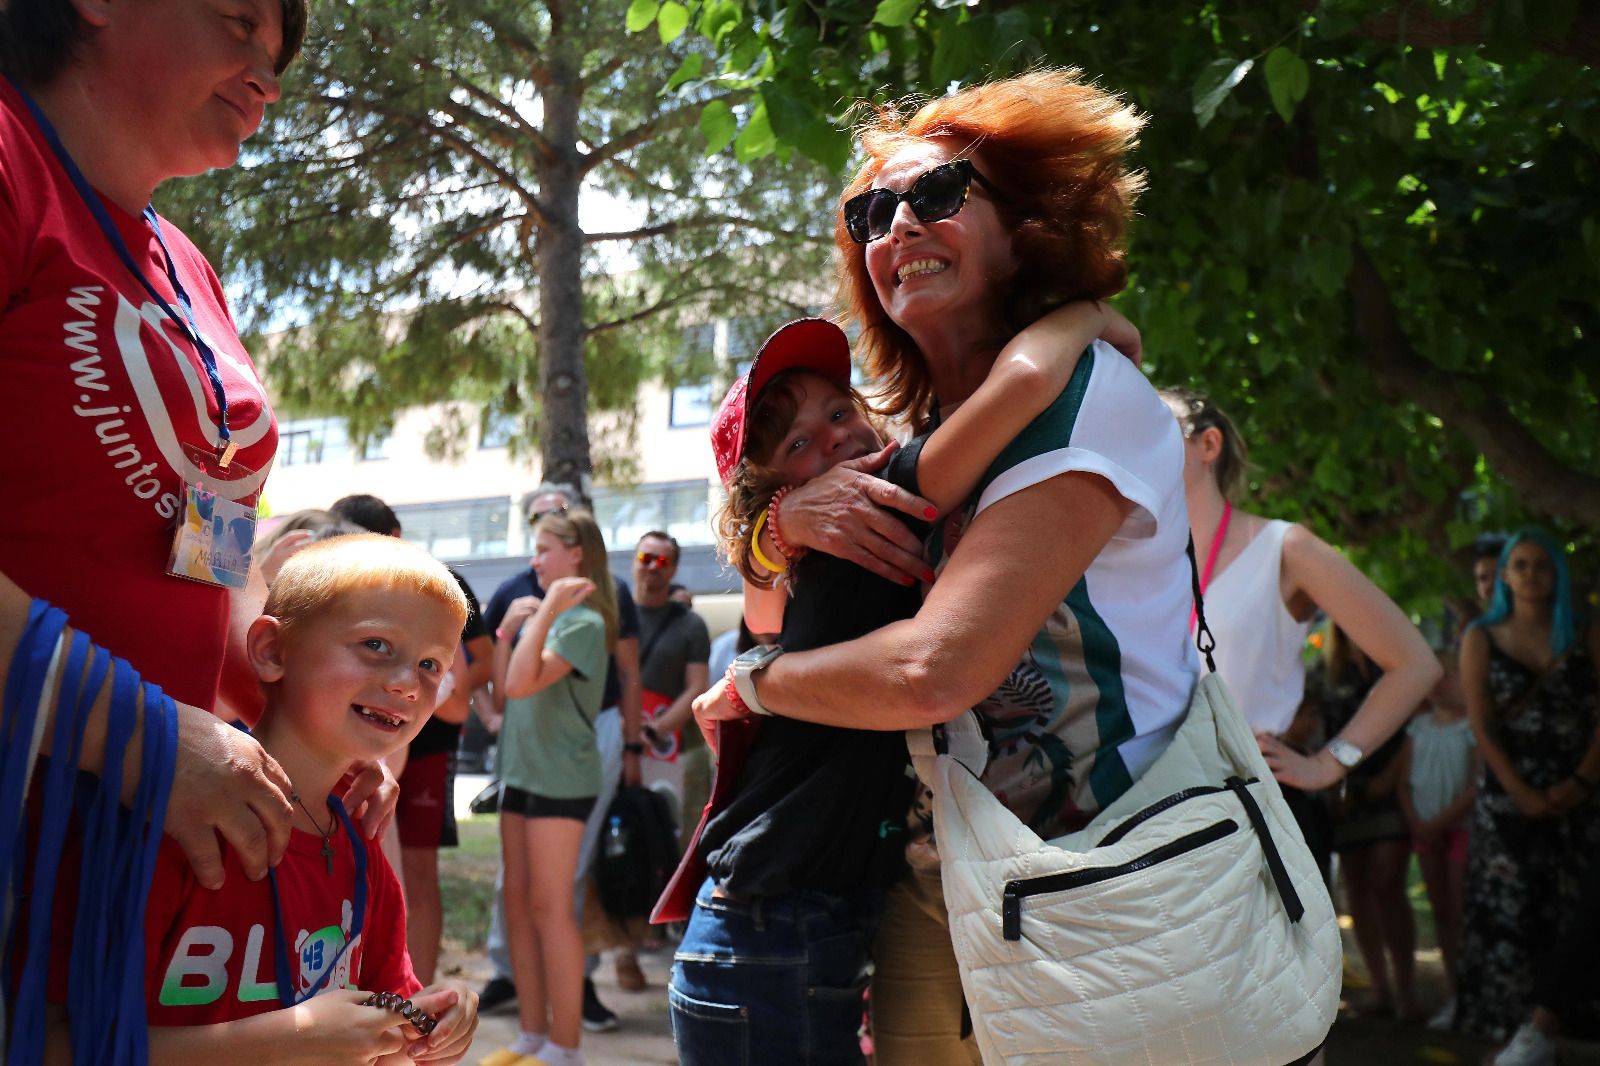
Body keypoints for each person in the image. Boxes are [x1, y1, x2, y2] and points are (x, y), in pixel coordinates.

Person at [693, 70, 1202, 1064]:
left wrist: (755, 686)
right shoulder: (918, 441)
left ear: (1029, 225)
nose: (895, 227)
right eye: (870, 212)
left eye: (936, 196)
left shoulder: (1083, 398)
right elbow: (766, 604)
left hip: (1098, 879)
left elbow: (937, 668)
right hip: (941, 882)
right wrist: (780, 523)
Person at [0, 0, 395, 1050]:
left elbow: (206, 550)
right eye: (238, 21)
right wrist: (133, 733)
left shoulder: (184, 262)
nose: (268, 70)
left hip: (155, 890)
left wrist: (318, 720)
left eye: (279, 51)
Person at [670, 304, 1138, 1065]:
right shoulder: (872, 497)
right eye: (799, 443)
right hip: (772, 933)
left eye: (837, 409)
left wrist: (779, 521)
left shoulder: (832, 522)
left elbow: (761, 607)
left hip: (784, 929)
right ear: (770, 486)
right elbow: (1023, 384)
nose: (834, 437)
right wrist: (1085, 315)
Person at [45, 534, 480, 1063]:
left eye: (432, 665)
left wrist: (426, 1025)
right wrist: (289, 1040)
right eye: (376, 645)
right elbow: (56, 1047)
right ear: (272, 651)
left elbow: (380, 1027)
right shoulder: (176, 830)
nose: (408, 684)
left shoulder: (364, 858)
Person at [480, 484, 644, 1030]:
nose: (535, 561)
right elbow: (503, 692)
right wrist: (507, 631)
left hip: (561, 780)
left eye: (545, 549)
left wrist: (544, 612)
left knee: (552, 907)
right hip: (519, 773)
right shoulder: (541, 616)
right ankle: (532, 1033)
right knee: (520, 906)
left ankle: (566, 1041)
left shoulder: (584, 622)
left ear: (577, 554)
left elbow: (524, 684)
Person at [328, 494, 495, 986]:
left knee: (409, 876)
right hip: (363, 748)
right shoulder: (338, 584)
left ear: (394, 539)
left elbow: (472, 674)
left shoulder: (439, 585)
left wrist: (431, 683)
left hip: (423, 746)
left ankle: (410, 993)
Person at [1455, 529, 1600, 1043]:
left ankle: (1562, 1033)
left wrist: (1581, 781)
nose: (1531, 574)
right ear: (1505, 577)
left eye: (1542, 564)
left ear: (1557, 572)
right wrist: (1518, 790)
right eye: (1520, 565)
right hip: (1508, 798)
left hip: (1580, 794)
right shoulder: (1481, 637)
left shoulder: (1586, 634)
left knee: (1576, 914)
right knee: (1510, 918)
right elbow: (1483, 723)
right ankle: (1508, 1039)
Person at [1303, 625, 1418, 1019]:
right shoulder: (1324, 672)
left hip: (1394, 788)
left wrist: (1392, 777)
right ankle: (1381, 988)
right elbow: (1315, 730)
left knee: (1388, 885)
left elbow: (1414, 724)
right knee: (1357, 889)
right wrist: (1331, 783)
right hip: (1343, 794)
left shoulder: (1393, 662)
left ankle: (1406, 989)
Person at [1395, 651, 1477, 1030]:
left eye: (1449, 675)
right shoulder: (1418, 727)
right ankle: (1454, 993)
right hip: (1424, 831)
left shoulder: (1472, 727)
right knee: (1442, 912)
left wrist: (1442, 822)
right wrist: (1417, 822)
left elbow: (1476, 785)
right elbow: (1404, 782)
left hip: (1460, 830)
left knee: (1460, 913)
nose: (1441, 684)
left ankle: (1470, 996)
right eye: (1437, 676)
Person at [630, 531, 711, 851]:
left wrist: (655, 730)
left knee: (671, 838)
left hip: (673, 748)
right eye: (645, 558)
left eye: (661, 561)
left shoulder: (690, 625)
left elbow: (697, 687)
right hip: (619, 742)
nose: (652, 566)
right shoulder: (615, 613)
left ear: (673, 569)